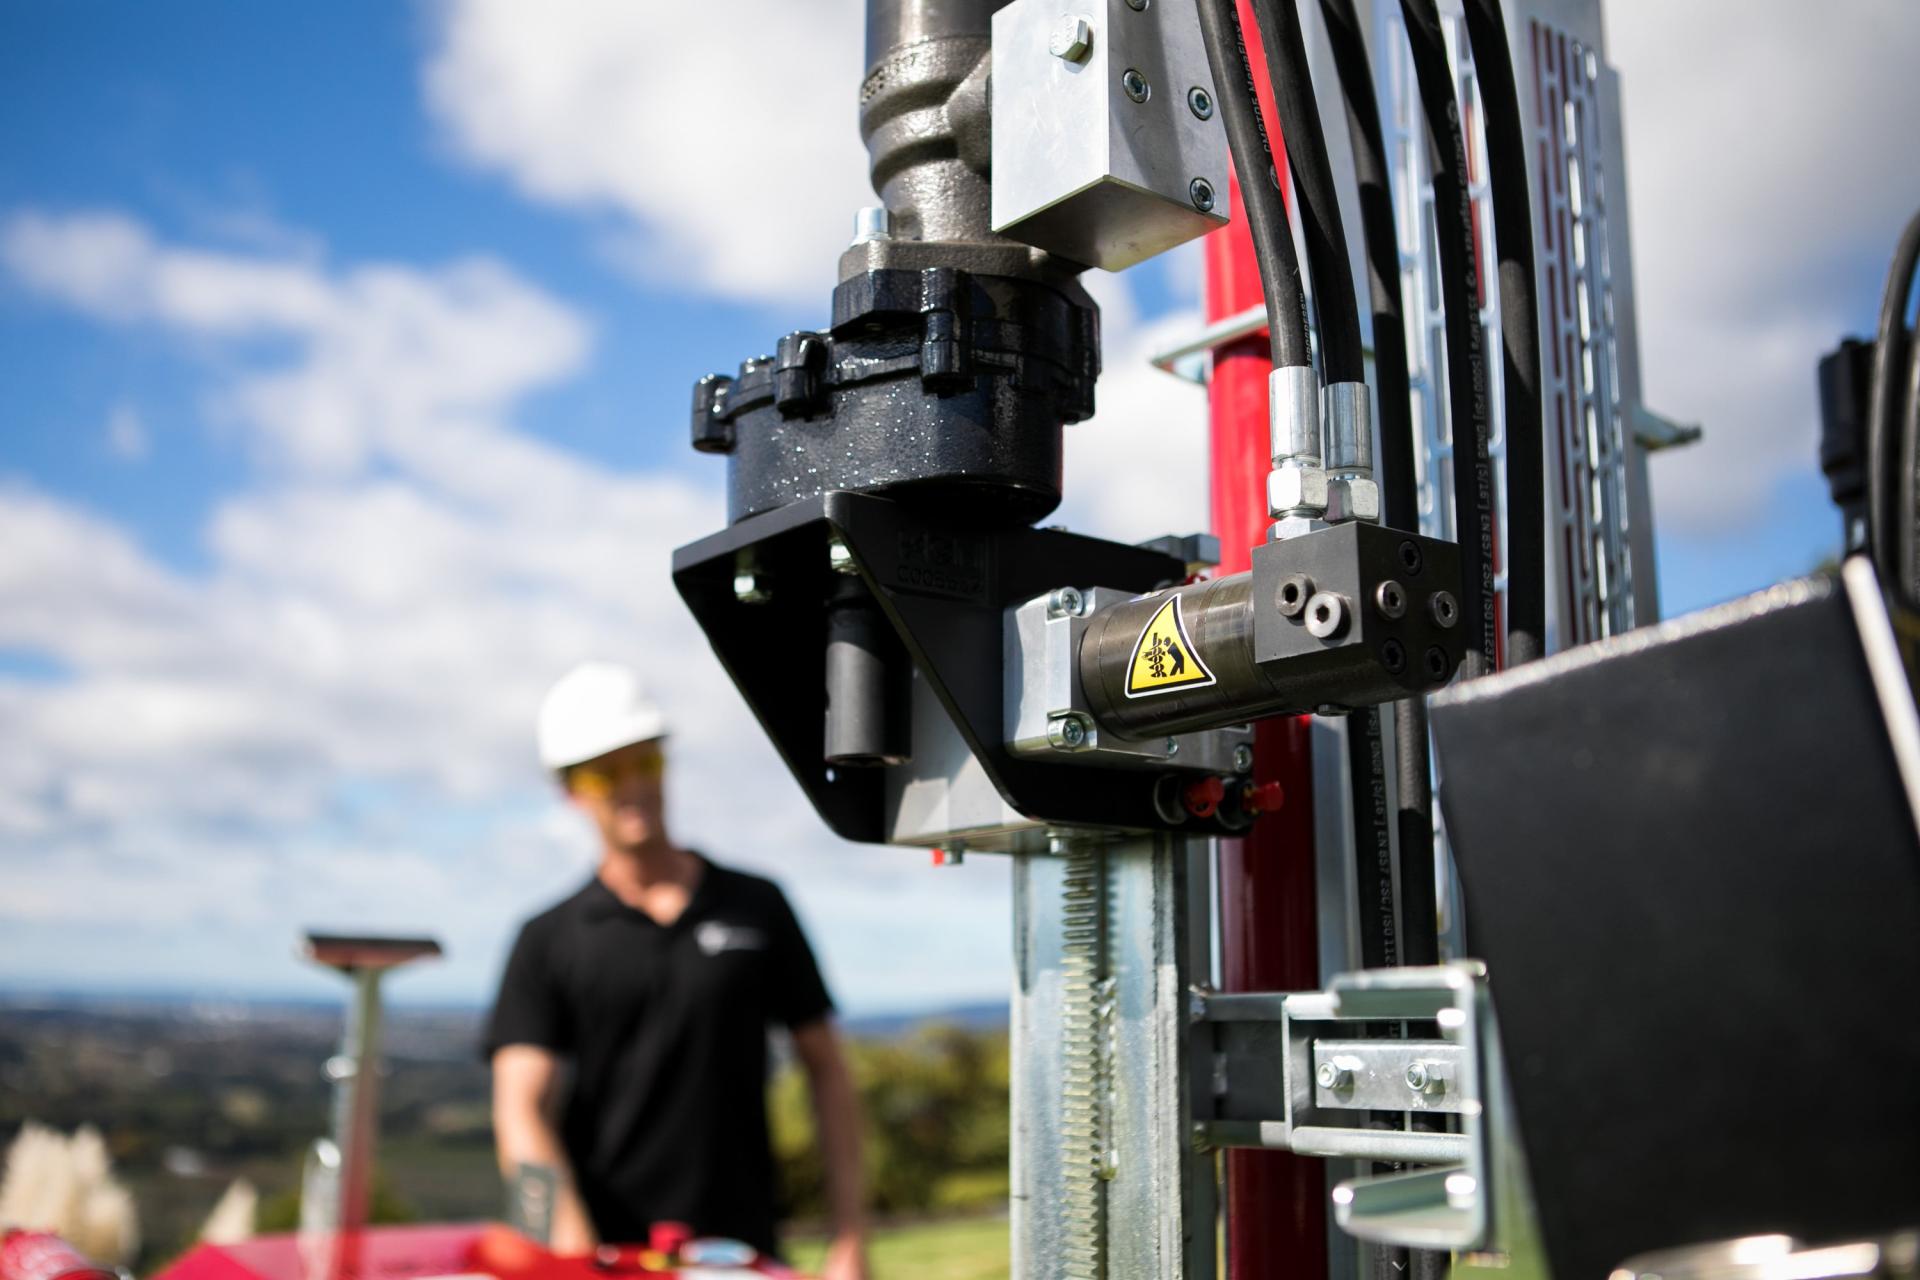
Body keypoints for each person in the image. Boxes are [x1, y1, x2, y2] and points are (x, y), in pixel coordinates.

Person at [485, 661, 868, 1278]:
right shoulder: (547, 939)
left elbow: (826, 1069)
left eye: (646, 762)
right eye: (605, 772)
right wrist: (576, 1255)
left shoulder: (757, 905)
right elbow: (518, 1107)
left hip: (744, 1253)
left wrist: (850, 1238)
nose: (631, 785)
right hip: (608, 1257)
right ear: (571, 790)